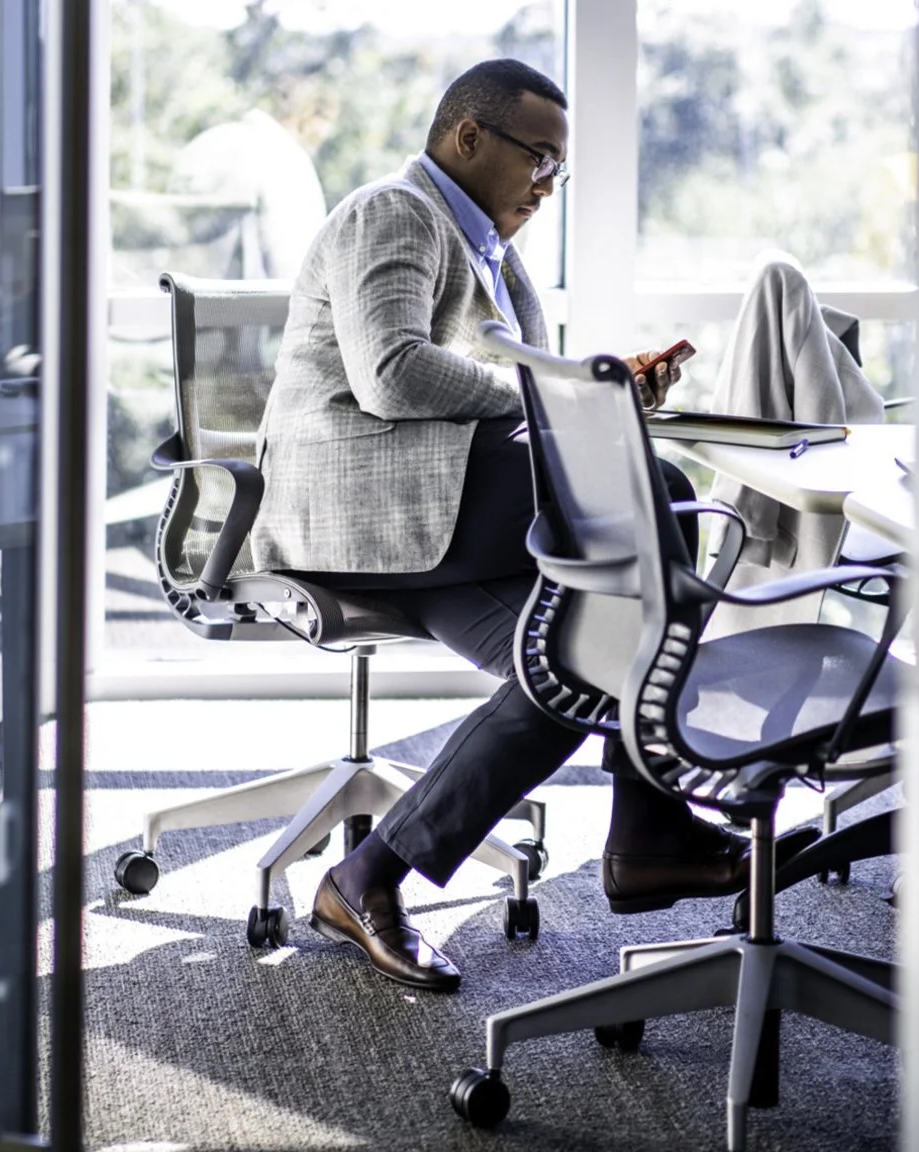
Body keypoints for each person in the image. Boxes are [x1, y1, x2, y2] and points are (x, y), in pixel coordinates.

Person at [249, 59, 815, 993]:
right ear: (467, 138)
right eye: (538, 160)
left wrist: (595, 391)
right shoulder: (394, 213)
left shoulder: (495, 256)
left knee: (583, 661)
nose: (548, 186)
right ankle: (647, 827)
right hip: (364, 510)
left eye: (559, 168)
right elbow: (391, 372)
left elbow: (515, 403)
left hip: (445, 519)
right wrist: (564, 396)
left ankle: (367, 877)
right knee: (660, 489)